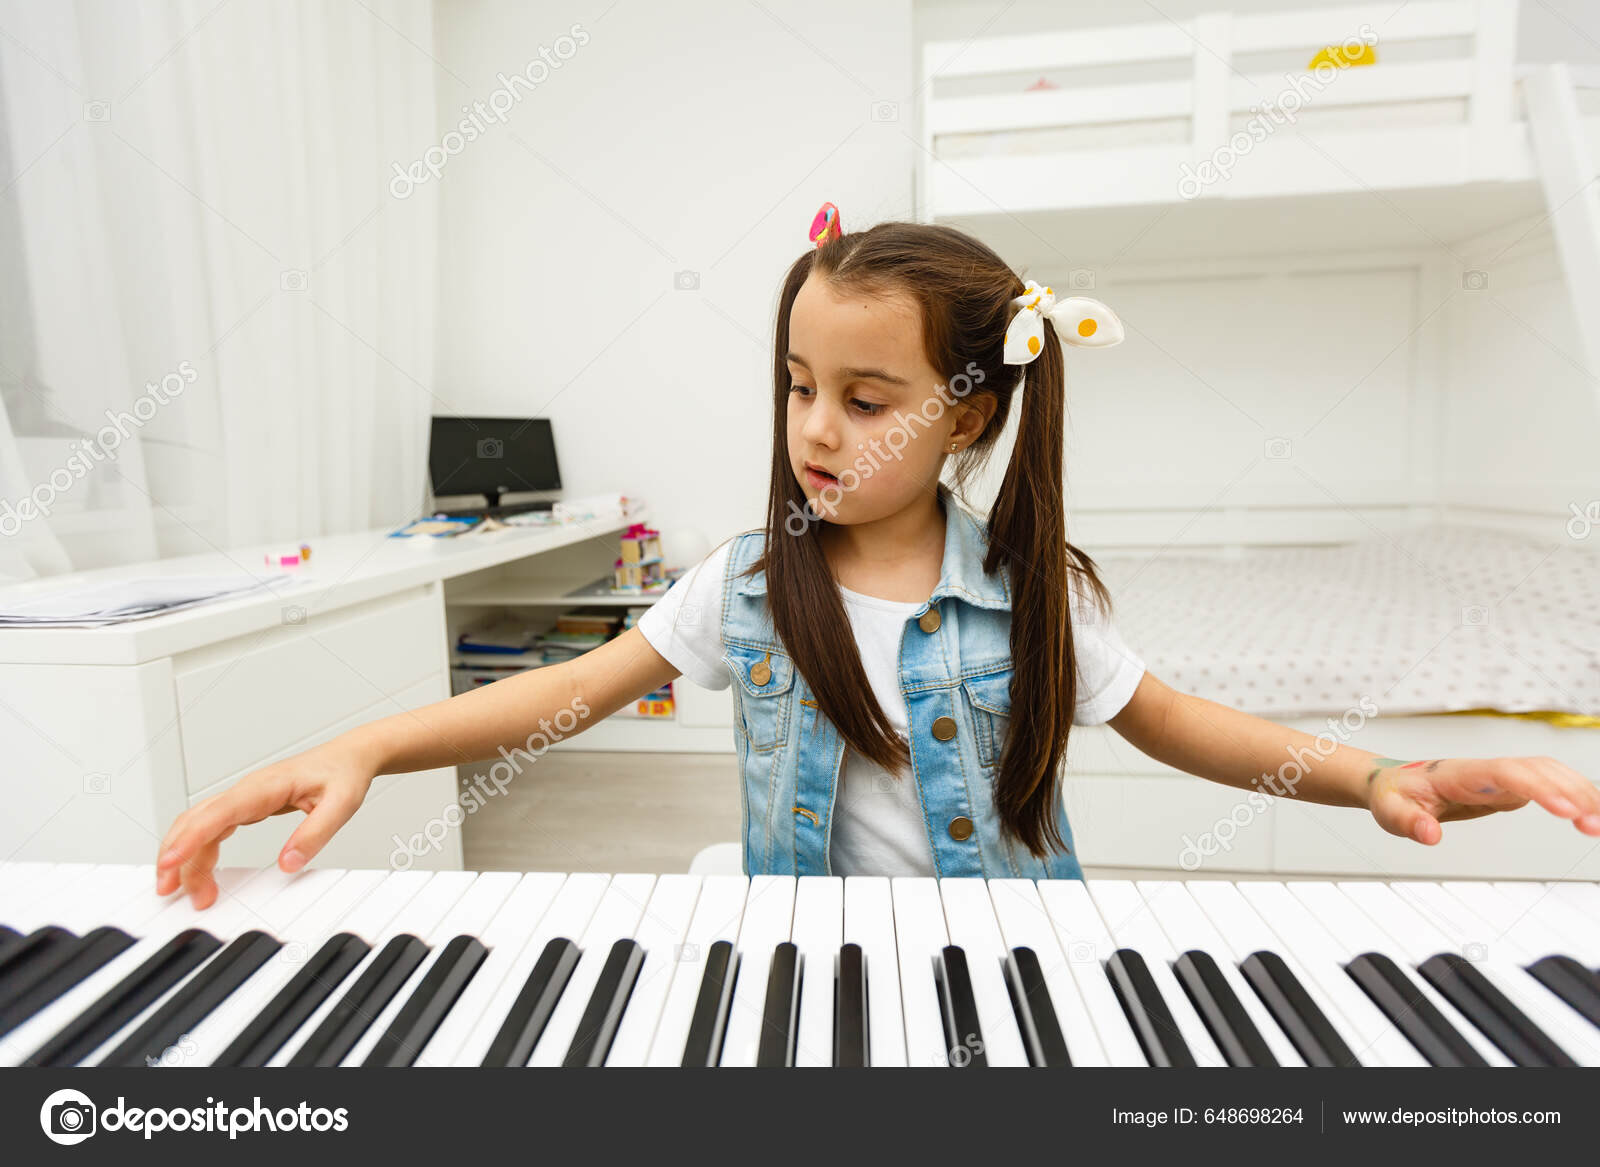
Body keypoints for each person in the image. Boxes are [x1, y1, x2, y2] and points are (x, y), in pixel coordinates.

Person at [155, 204, 1600, 908]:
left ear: (966, 415)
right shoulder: (744, 586)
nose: (813, 430)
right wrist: (364, 745)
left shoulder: (1037, 602)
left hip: (1025, 959)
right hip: (819, 960)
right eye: (796, 385)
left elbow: (1185, 728)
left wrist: (1380, 778)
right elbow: (560, 698)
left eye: (864, 400)